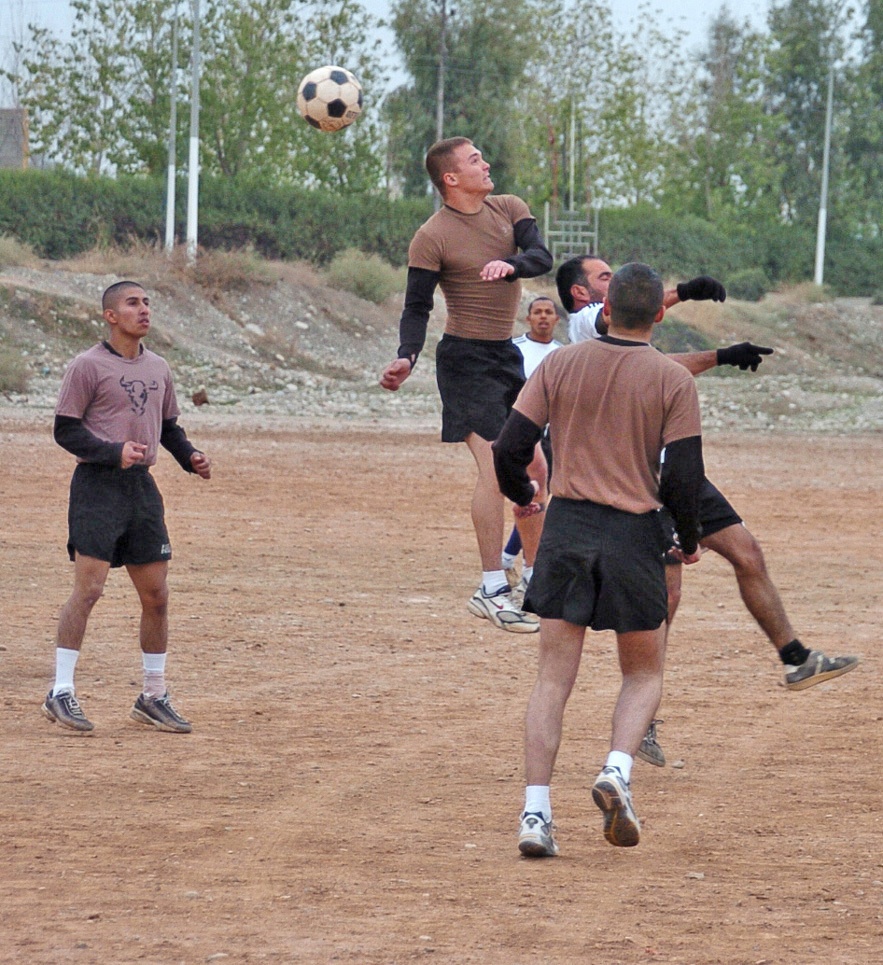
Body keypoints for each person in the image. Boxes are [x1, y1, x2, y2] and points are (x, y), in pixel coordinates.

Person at [558, 254, 859, 764]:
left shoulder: (622, 331)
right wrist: (689, 297)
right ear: (586, 297)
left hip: (677, 472)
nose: (613, 281)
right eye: (602, 276)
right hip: (641, 478)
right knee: (665, 599)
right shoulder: (587, 325)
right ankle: (643, 719)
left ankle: (796, 658)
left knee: (747, 553)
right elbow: (643, 306)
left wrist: (718, 351)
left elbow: (662, 355)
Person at [494, 262, 706, 854]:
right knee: (643, 671)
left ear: (605, 312)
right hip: (633, 534)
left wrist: (525, 495)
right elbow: (685, 476)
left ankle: (535, 815)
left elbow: (512, 446)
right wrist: (686, 541)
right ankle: (616, 769)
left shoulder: (560, 363)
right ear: (660, 314)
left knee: (552, 680)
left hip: (567, 529)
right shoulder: (671, 380)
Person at [379, 137, 553, 634]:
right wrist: (406, 356)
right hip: (463, 361)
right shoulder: (431, 236)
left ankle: (537, 583)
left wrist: (512, 265)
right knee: (498, 465)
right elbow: (417, 307)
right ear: (450, 178)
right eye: (476, 160)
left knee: (536, 465)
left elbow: (541, 256)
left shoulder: (509, 208)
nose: (487, 163)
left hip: (506, 356)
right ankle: (492, 586)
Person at [41, 281, 212, 734]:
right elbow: (65, 430)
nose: (144, 310)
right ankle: (60, 691)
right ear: (110, 316)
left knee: (157, 596)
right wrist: (111, 451)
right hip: (97, 486)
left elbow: (169, 426)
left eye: (147, 303)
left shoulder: (159, 367)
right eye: (133, 303)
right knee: (89, 590)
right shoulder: (87, 366)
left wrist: (189, 456)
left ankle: (152, 695)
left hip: (141, 489)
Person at [502, 296, 563, 593]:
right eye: (537, 312)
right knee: (532, 496)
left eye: (548, 312)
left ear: (556, 319)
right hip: (520, 434)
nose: (543, 317)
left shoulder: (564, 354)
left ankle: (514, 559)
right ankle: (517, 560)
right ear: (528, 318)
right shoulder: (514, 350)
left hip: (552, 436)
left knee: (541, 497)